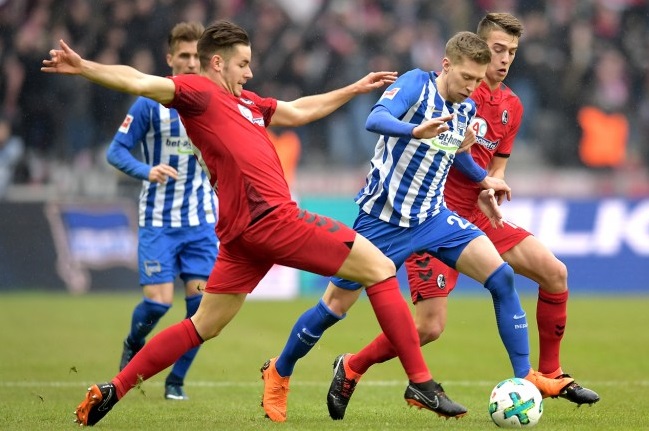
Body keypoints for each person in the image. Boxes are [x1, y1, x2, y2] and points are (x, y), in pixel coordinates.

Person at [42, 20, 454, 427]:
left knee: (203, 324)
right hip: (273, 218)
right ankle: (420, 381)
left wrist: (354, 88)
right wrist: (85, 67)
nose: (250, 72)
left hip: (241, 235)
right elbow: (139, 81)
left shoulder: (248, 103)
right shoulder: (198, 92)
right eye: (243, 64)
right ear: (217, 63)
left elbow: (297, 110)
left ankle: (113, 389)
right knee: (379, 267)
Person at [263, 30, 570, 422]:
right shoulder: (415, 85)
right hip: (382, 222)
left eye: (478, 80)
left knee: (501, 276)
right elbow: (375, 118)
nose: (472, 87)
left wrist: (484, 180)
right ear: (446, 65)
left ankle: (523, 376)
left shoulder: (465, 108)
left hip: (433, 218)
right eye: (466, 78)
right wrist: (414, 130)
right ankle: (280, 371)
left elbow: (455, 154)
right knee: (333, 308)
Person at [325, 13, 600, 420]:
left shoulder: (512, 105)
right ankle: (352, 366)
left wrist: (492, 186)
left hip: (479, 214)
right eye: (497, 50)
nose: (504, 60)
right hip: (433, 214)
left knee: (554, 272)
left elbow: (497, 166)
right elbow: (437, 151)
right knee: (429, 328)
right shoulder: (454, 93)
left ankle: (549, 373)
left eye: (512, 52)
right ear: (477, 48)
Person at [105, 22, 218, 401]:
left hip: (201, 223)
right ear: (170, 59)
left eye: (196, 56)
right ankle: (133, 342)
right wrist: (146, 170)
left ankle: (176, 381)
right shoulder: (150, 103)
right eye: (184, 55)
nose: (191, 63)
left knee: (202, 310)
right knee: (157, 303)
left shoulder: (214, 101)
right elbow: (116, 151)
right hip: (159, 221)